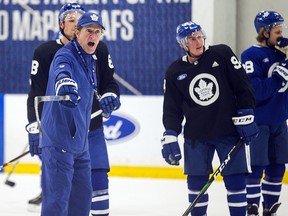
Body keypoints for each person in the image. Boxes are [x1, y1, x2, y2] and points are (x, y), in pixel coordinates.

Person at [25, 3, 120, 215]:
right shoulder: (57, 53)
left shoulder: (96, 51)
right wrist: (64, 85)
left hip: (85, 133)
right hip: (61, 135)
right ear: (71, 29)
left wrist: (110, 95)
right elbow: (59, 74)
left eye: (97, 31)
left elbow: (108, 83)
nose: (92, 34)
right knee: (58, 200)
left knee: (84, 199)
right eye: (73, 20)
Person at [160, 21, 258, 216]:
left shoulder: (221, 54)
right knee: (196, 182)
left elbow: (243, 84)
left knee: (236, 180)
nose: (198, 41)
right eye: (192, 38)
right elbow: (172, 109)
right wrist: (170, 134)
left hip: (228, 131)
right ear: (183, 44)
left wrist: (246, 112)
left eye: (199, 36)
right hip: (197, 135)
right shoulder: (174, 72)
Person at [241, 10, 288, 216]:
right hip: (259, 122)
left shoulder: (281, 55)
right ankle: (251, 208)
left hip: (279, 121)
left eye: (282, 30)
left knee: (278, 168)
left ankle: (270, 208)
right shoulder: (250, 55)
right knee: (256, 168)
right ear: (264, 32)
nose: (281, 35)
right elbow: (256, 91)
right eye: (277, 31)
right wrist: (279, 77)